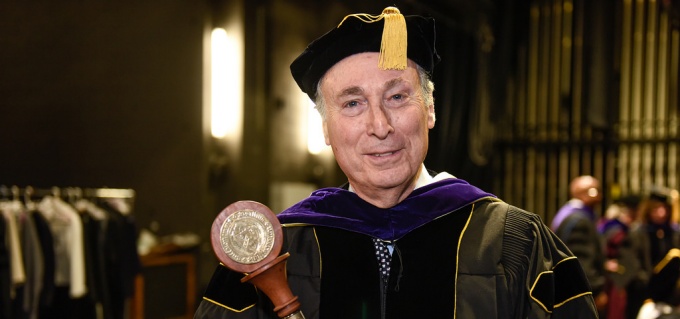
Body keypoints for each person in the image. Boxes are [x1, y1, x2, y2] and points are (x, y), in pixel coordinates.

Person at [195, 6, 598, 318]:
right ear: (324, 128)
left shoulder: (515, 241)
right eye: (352, 103)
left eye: (397, 97)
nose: (380, 125)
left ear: (430, 109)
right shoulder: (273, 247)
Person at [551, 175, 607, 315]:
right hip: (579, 293)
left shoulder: (568, 214)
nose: (600, 195)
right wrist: (596, 291)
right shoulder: (578, 220)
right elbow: (581, 260)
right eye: (596, 191)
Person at [629, 187, 680, 318]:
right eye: (656, 209)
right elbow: (633, 263)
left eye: (665, 209)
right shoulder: (638, 233)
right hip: (643, 293)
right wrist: (648, 289)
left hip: (670, 295)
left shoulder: (674, 233)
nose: (661, 213)